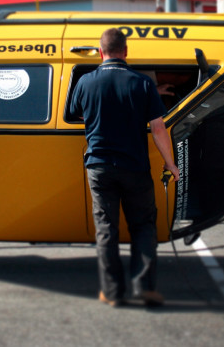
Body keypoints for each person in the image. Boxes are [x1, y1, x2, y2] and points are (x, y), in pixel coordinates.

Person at [69, 28, 180, 308]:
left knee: (106, 229)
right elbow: (158, 128)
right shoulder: (142, 84)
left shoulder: (85, 82)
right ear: (126, 51)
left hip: (99, 167)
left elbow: (76, 112)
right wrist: (170, 163)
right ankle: (144, 288)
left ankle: (113, 292)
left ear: (100, 51)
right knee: (143, 227)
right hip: (134, 167)